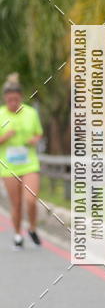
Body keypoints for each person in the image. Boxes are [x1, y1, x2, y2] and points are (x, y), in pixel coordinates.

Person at [0, 73, 44, 249]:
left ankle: (32, 228)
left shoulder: (31, 113)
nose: (12, 103)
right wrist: (5, 137)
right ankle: (18, 234)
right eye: (9, 100)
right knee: (16, 204)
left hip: (29, 163)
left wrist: (35, 139)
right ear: (5, 98)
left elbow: (39, 133)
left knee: (31, 200)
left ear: (21, 98)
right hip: (8, 166)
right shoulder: (1, 115)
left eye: (16, 99)